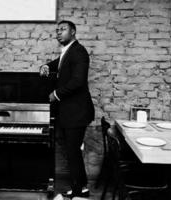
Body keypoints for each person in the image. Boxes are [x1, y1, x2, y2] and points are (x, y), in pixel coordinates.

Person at [40, 20, 94, 199]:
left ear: (73, 32)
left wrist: (56, 94)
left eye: (62, 29)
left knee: (73, 153)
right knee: (73, 153)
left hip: (77, 113)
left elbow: (78, 81)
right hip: (71, 113)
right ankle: (82, 188)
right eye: (57, 30)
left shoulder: (79, 52)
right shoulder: (68, 51)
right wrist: (48, 65)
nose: (58, 33)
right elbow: (61, 63)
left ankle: (79, 193)